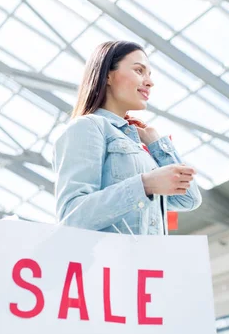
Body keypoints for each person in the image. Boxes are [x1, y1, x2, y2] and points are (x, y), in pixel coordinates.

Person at [52, 41, 202, 235]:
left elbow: (189, 199)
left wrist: (157, 145)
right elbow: (71, 217)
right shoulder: (87, 127)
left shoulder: (141, 145)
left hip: (147, 262)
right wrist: (145, 185)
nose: (149, 82)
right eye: (139, 71)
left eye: (149, 74)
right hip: (108, 262)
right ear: (107, 75)